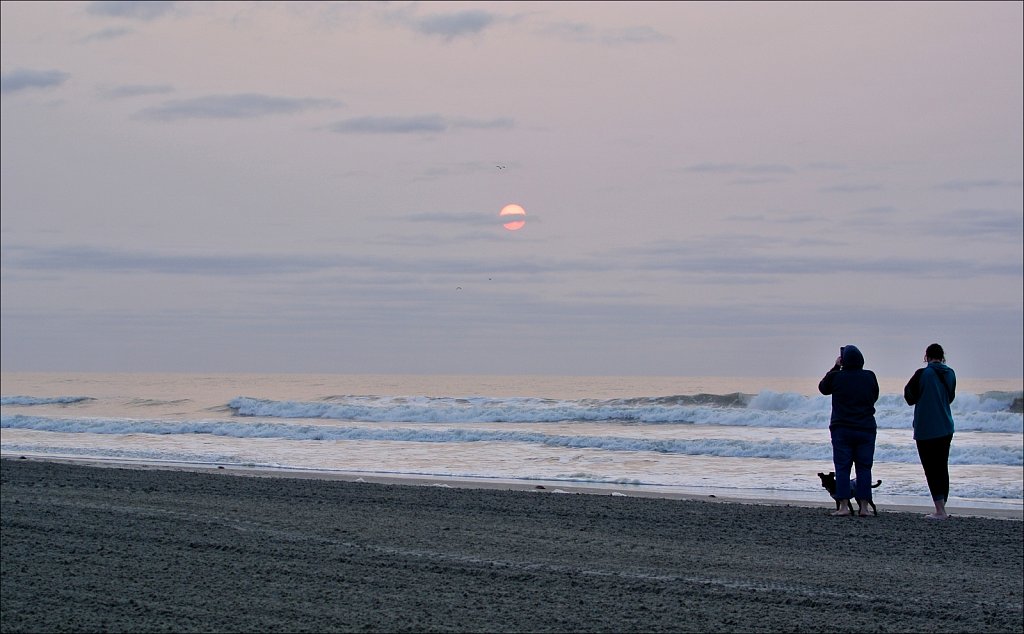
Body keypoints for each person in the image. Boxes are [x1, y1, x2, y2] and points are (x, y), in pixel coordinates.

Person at [818, 345, 880, 517]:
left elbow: (823, 388)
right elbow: (874, 396)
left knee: (842, 468)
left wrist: (836, 367)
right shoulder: (869, 376)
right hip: (866, 428)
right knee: (864, 468)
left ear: (843, 360)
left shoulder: (836, 377)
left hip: (842, 429)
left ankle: (844, 507)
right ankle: (864, 508)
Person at [904, 343, 956, 521]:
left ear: (926, 357)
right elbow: (950, 398)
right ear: (942, 357)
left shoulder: (922, 374)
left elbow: (909, 398)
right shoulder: (950, 373)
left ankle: (940, 510)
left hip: (926, 428)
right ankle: (942, 506)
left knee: (931, 468)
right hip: (946, 426)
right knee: (942, 467)